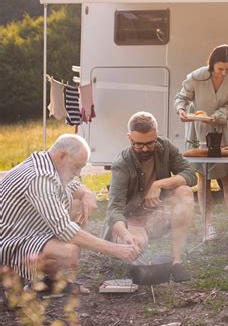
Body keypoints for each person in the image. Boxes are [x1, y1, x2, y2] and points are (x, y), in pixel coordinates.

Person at [0, 134, 140, 294]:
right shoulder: (39, 178)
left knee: (77, 203)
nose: (78, 172)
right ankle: (12, 279)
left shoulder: (47, 163)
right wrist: (116, 249)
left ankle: (51, 283)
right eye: (77, 166)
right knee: (69, 251)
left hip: (24, 232)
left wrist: (87, 193)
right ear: (62, 155)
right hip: (7, 244)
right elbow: (65, 230)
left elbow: (71, 185)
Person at [103, 111, 196, 282]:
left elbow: (191, 174)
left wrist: (158, 184)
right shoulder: (121, 164)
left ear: (157, 135)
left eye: (150, 143)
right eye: (138, 145)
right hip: (133, 221)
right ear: (129, 138)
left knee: (185, 192)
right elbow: (114, 209)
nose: (145, 149)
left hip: (160, 215)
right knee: (137, 244)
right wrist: (125, 234)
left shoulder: (165, 147)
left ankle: (176, 262)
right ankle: (128, 250)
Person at [175, 44, 228, 241]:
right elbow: (181, 97)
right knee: (203, 177)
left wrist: (217, 116)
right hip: (198, 130)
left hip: (224, 130)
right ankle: (207, 225)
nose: (224, 72)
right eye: (220, 69)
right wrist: (181, 110)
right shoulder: (196, 76)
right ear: (212, 64)